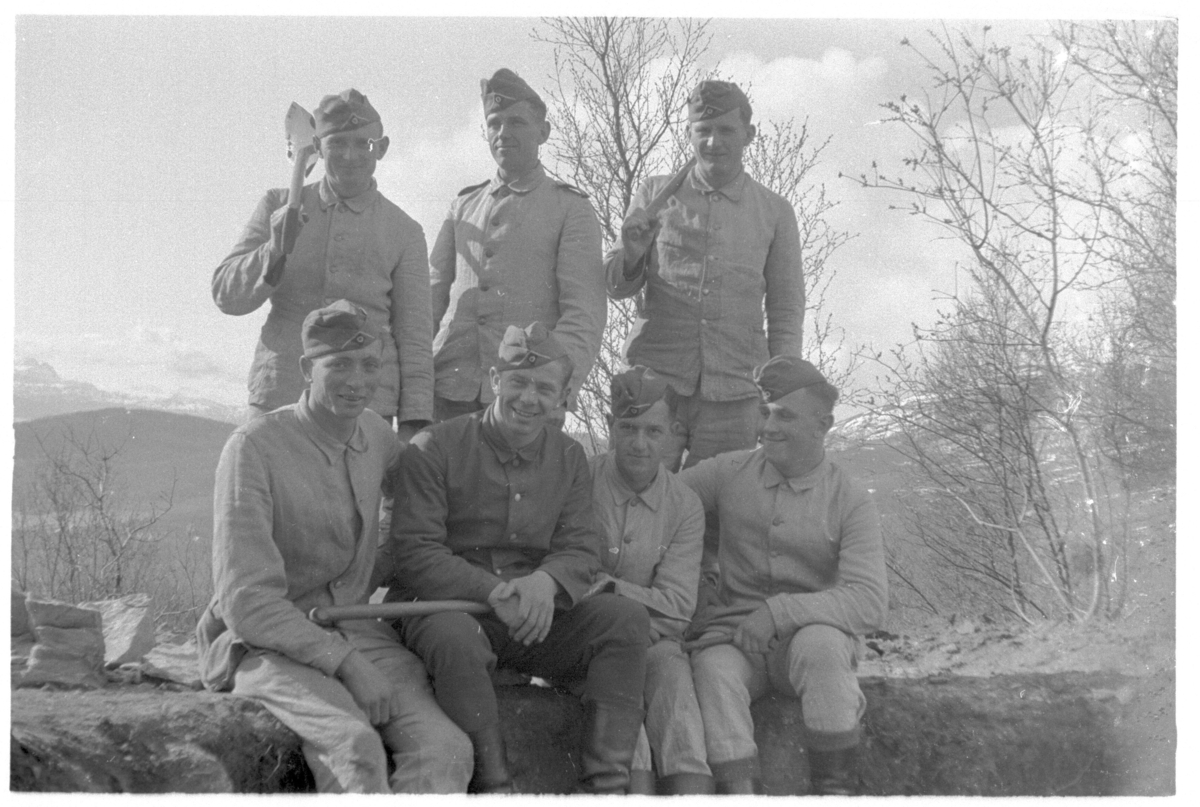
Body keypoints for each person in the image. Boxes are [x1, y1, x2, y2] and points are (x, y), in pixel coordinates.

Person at [195, 300, 471, 793]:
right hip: (266, 643)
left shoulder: (373, 435)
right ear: (306, 369)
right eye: (339, 364)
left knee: (446, 748)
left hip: (356, 630)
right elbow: (247, 602)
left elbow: (417, 492)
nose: (357, 380)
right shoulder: (253, 448)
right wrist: (344, 664)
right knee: (354, 748)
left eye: (369, 365)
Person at [379, 322, 649, 794]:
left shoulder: (568, 457)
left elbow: (582, 546)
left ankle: (607, 786)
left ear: (563, 397)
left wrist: (546, 583)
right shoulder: (435, 448)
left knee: (624, 619)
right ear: (493, 380)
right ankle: (494, 785)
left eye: (545, 388)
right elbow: (416, 553)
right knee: (454, 637)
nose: (529, 398)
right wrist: (491, 591)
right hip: (449, 606)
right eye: (518, 382)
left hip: (530, 612)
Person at [679, 356, 887, 795]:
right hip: (736, 640)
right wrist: (694, 589)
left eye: (785, 416)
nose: (769, 428)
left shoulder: (849, 498)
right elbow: (662, 501)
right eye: (765, 413)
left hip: (809, 646)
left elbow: (868, 601)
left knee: (824, 646)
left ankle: (836, 793)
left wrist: (780, 612)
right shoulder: (729, 472)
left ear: (823, 424)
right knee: (713, 670)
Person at [604, 79, 805, 473]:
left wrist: (782, 384)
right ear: (689, 134)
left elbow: (785, 306)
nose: (714, 142)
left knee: (717, 516)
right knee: (636, 499)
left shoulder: (775, 212)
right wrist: (631, 253)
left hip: (735, 394)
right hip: (653, 387)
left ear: (749, 134)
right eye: (704, 131)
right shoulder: (654, 194)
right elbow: (614, 286)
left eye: (726, 130)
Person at [213, 89, 434, 440]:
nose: (350, 155)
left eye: (364, 144)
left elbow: (415, 335)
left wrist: (415, 424)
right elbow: (227, 295)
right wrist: (274, 250)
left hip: (364, 409)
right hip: (280, 394)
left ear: (383, 147)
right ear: (316, 146)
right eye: (338, 144)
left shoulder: (404, 232)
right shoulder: (278, 205)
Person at [429, 68, 605, 424]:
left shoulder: (571, 209)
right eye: (494, 123)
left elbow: (583, 315)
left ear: (543, 132)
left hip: (524, 403)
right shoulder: (462, 206)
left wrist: (553, 392)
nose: (503, 133)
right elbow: (428, 302)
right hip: (446, 393)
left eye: (516, 122)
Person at [587, 365, 712, 794]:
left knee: (673, 684)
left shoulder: (684, 505)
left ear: (672, 433)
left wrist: (611, 589)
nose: (640, 444)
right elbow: (571, 587)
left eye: (654, 432)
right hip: (587, 643)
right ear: (610, 427)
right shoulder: (579, 482)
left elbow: (677, 608)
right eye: (628, 428)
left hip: (655, 643)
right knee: (624, 723)